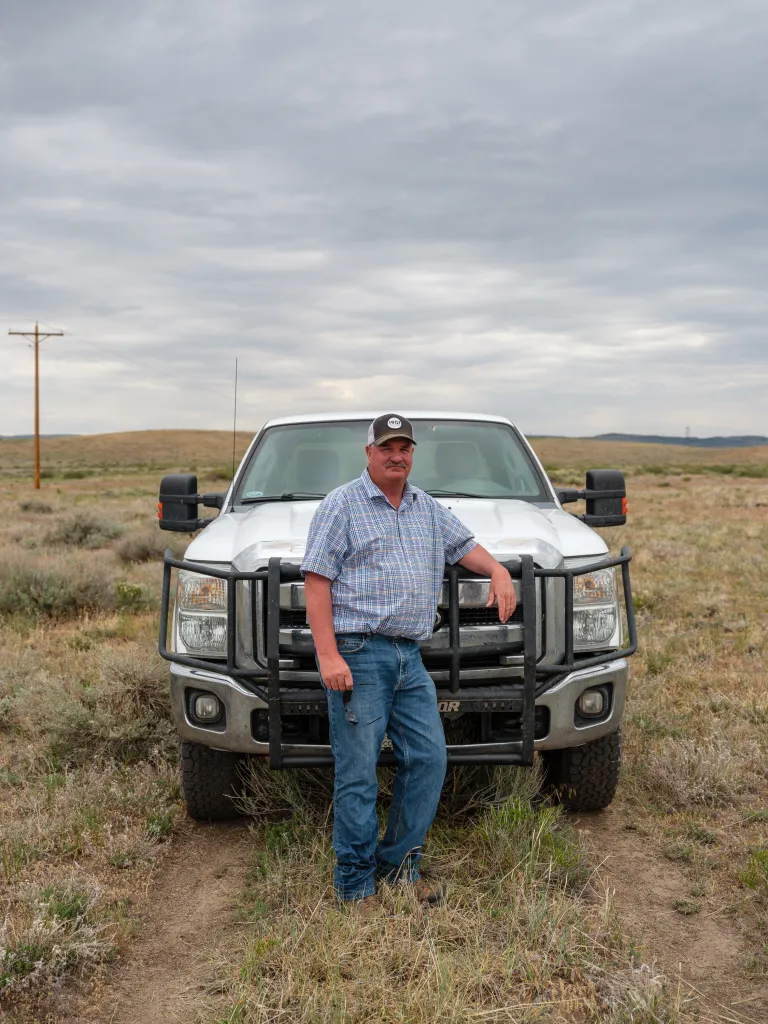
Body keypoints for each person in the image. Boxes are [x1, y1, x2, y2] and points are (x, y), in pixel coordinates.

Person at [301, 413, 516, 909]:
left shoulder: (426, 507)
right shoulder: (343, 506)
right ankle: (354, 885)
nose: (398, 455)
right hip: (359, 652)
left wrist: (499, 570)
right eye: (387, 447)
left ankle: (398, 868)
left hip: (408, 656)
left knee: (429, 759)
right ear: (369, 453)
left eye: (406, 447)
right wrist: (328, 654)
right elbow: (317, 582)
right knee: (357, 771)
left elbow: (465, 546)